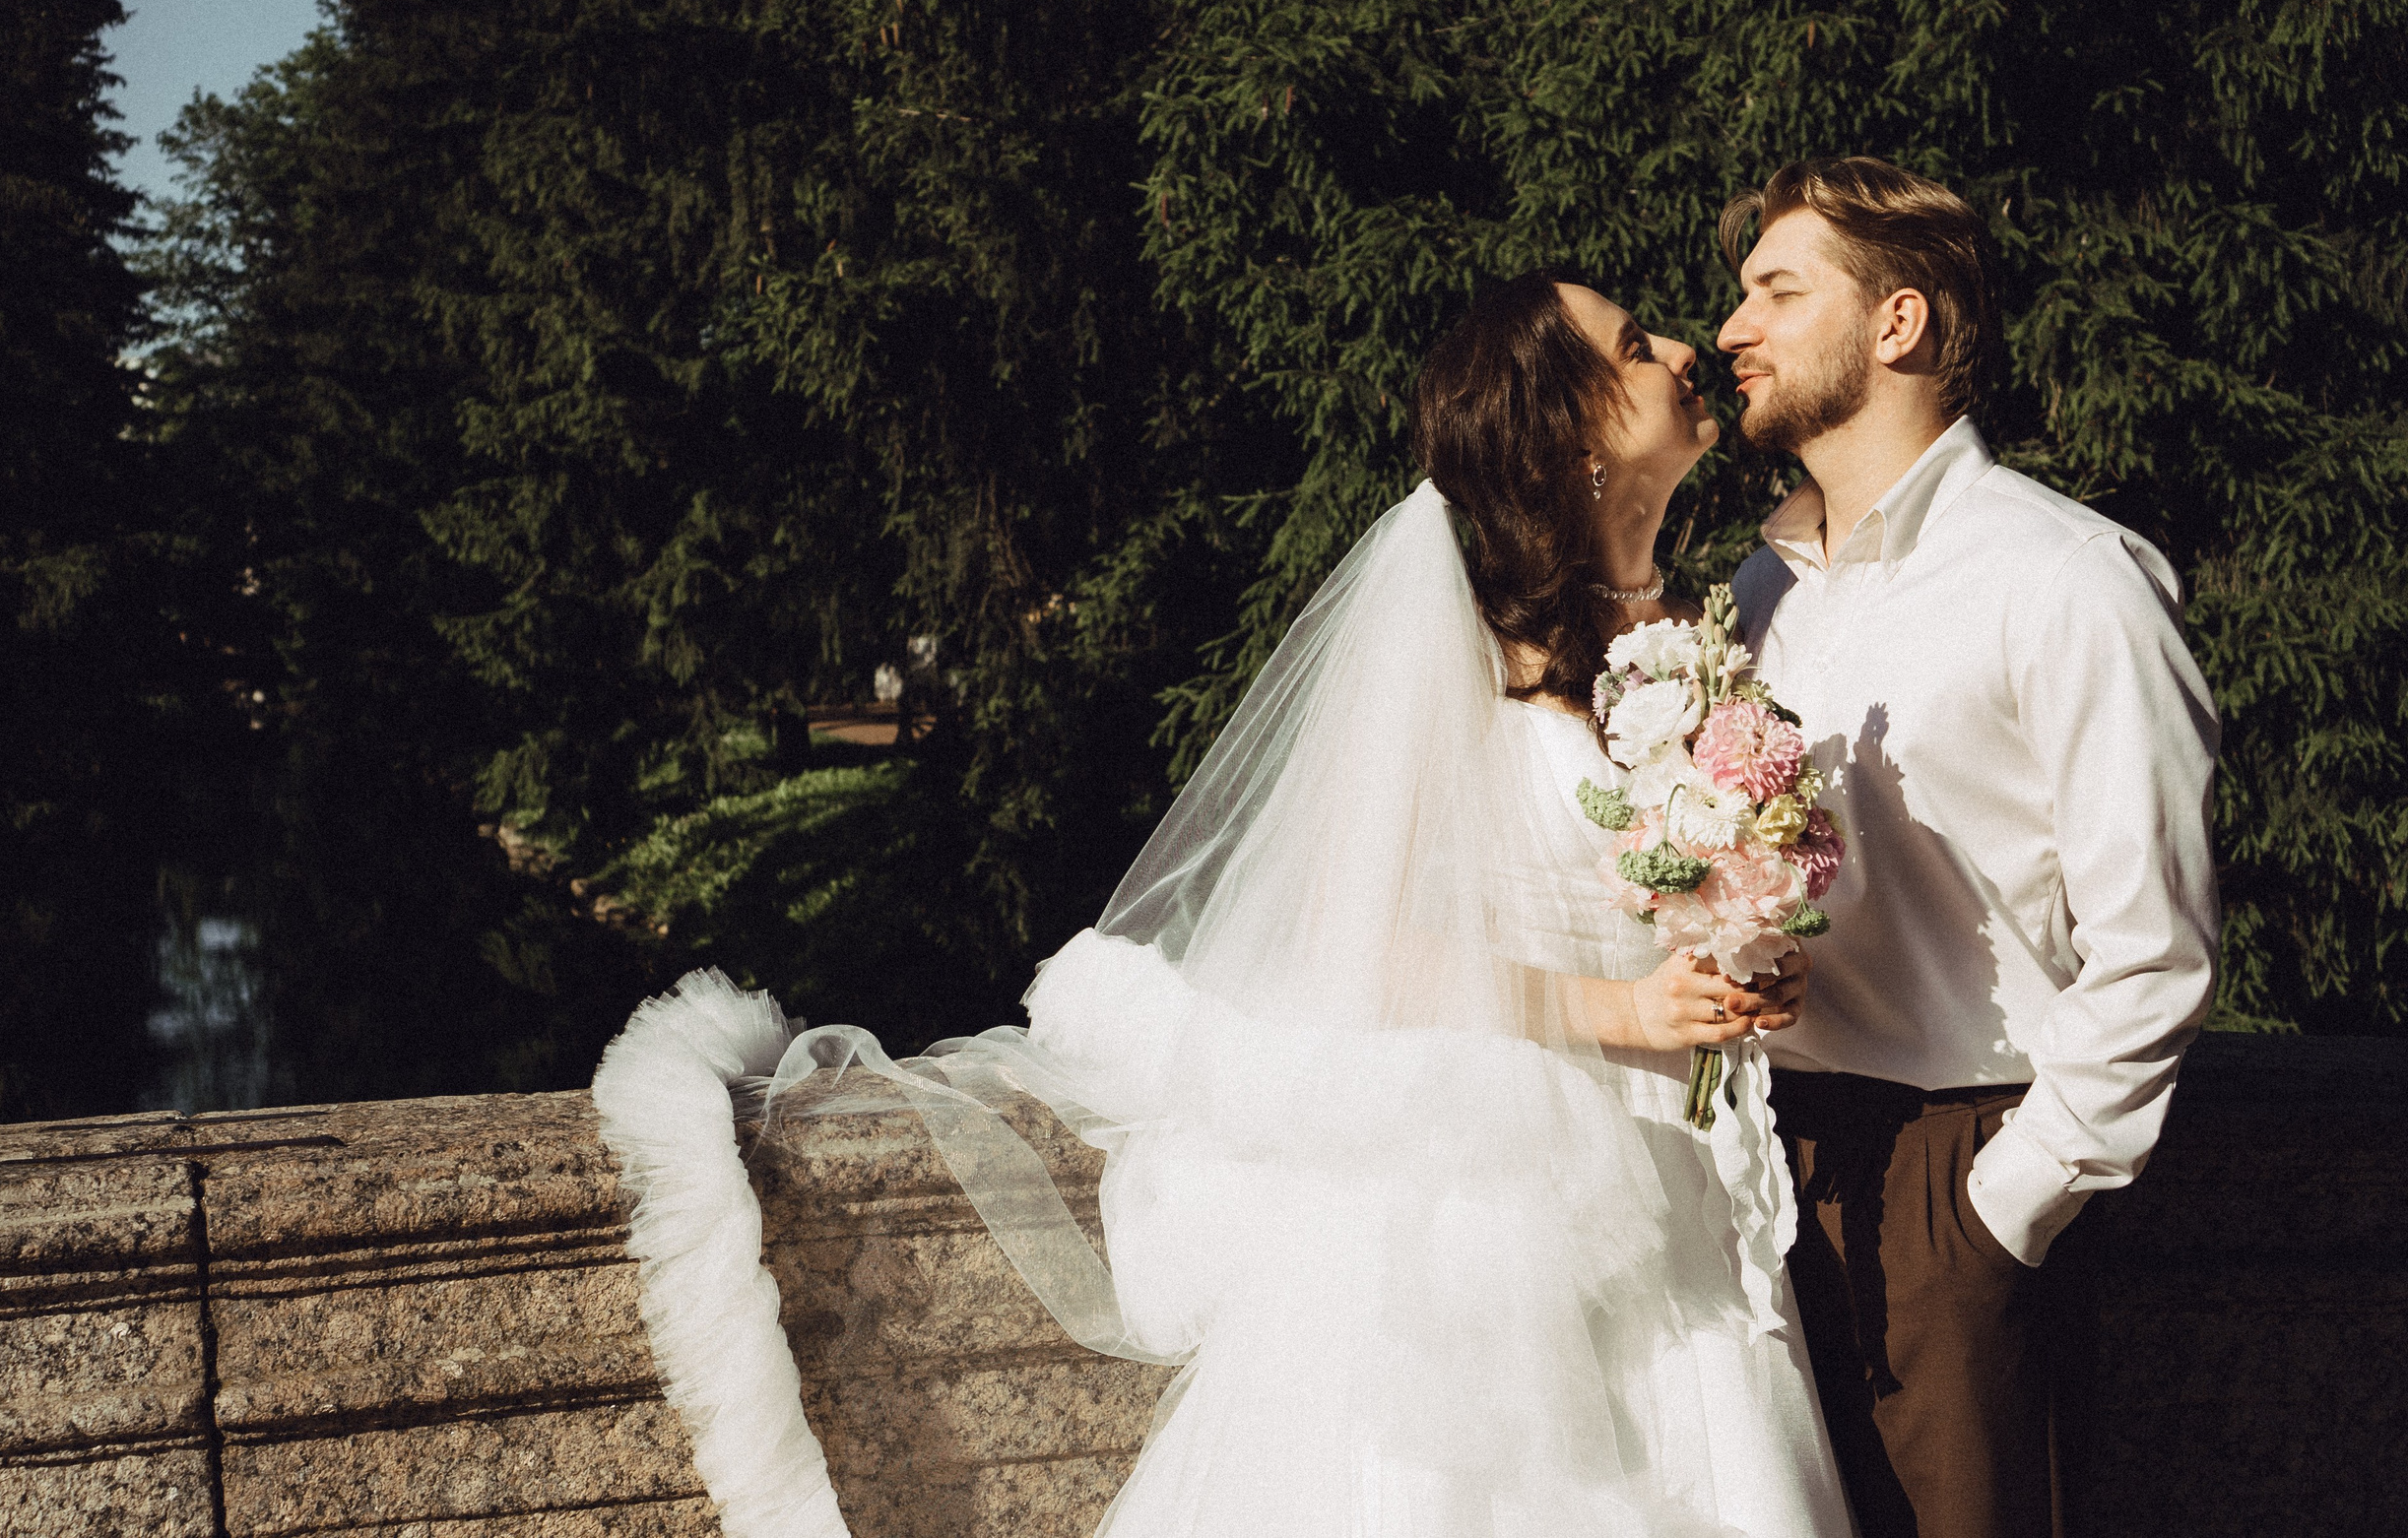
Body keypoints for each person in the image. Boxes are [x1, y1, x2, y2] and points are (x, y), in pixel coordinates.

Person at [596, 275, 1859, 1538]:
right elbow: (1355, 943)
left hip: (1686, 1178)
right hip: (1508, 1193)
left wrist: (1742, 945)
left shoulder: (1702, 643)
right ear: (1565, 429)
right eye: (1635, 346)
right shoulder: (1459, 660)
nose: (1684, 351)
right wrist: (1623, 1010)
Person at [1714, 159, 2221, 1538]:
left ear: (1899, 325)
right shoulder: (1759, 588)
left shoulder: (2070, 578)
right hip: (1760, 1177)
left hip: (1959, 1167)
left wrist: (2003, 1210)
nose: (1730, 329)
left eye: (1777, 289)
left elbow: (2156, 948)